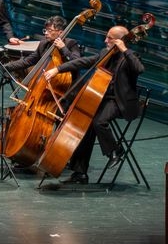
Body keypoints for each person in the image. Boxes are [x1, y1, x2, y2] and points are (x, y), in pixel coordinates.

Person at [46, 25, 144, 184]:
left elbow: (139, 69)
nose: (105, 40)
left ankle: (115, 151)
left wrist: (124, 50)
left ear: (119, 40)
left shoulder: (131, 55)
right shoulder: (105, 53)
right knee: (86, 127)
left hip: (121, 101)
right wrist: (58, 69)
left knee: (99, 121)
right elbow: (83, 61)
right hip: (103, 99)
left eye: (109, 38)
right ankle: (80, 173)